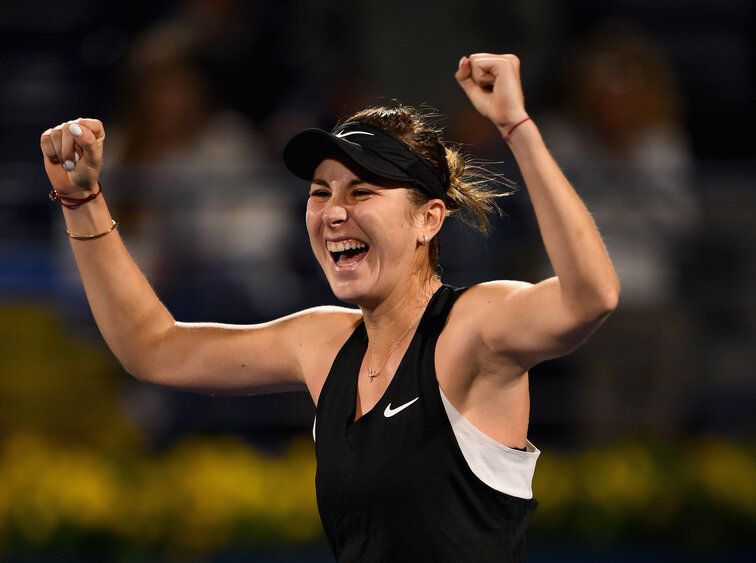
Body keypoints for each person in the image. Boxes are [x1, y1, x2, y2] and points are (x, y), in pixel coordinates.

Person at [39, 54, 619, 562]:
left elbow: (591, 296)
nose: (334, 212)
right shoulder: (322, 343)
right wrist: (81, 199)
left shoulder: (473, 327)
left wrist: (515, 126)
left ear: (428, 219)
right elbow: (153, 348)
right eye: (321, 192)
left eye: (362, 191)